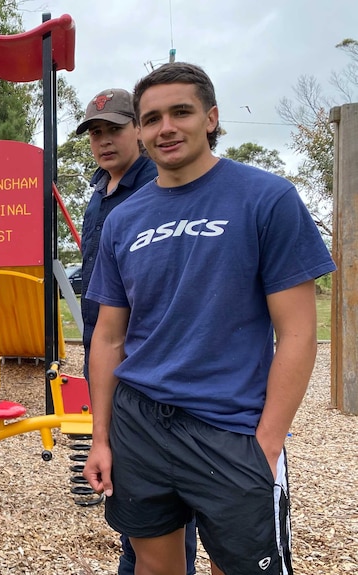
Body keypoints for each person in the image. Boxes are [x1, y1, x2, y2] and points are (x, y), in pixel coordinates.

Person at [82, 62, 335, 575]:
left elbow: (298, 333)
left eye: (181, 112)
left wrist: (266, 445)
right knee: (155, 566)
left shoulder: (267, 198)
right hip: (141, 423)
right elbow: (108, 338)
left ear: (212, 117)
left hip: (231, 424)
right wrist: (102, 438)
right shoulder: (123, 219)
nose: (166, 128)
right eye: (152, 118)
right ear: (142, 130)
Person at [76, 88, 197, 575]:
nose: (104, 141)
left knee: (166, 511)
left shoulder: (160, 190)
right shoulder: (100, 193)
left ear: (140, 132)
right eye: (95, 132)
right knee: (131, 500)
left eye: (115, 128)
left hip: (155, 367)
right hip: (106, 354)